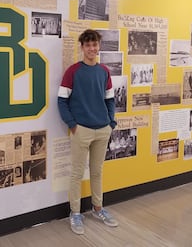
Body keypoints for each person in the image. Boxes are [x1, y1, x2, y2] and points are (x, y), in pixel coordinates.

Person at [57, 29, 118, 235]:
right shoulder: (73, 71)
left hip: (103, 129)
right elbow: (62, 100)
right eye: (88, 45)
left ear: (98, 46)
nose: (92, 48)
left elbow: (110, 99)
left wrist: (111, 122)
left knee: (97, 171)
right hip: (81, 129)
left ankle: (98, 208)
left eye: (95, 45)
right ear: (82, 47)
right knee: (76, 173)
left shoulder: (104, 71)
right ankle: (75, 213)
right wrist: (72, 124)